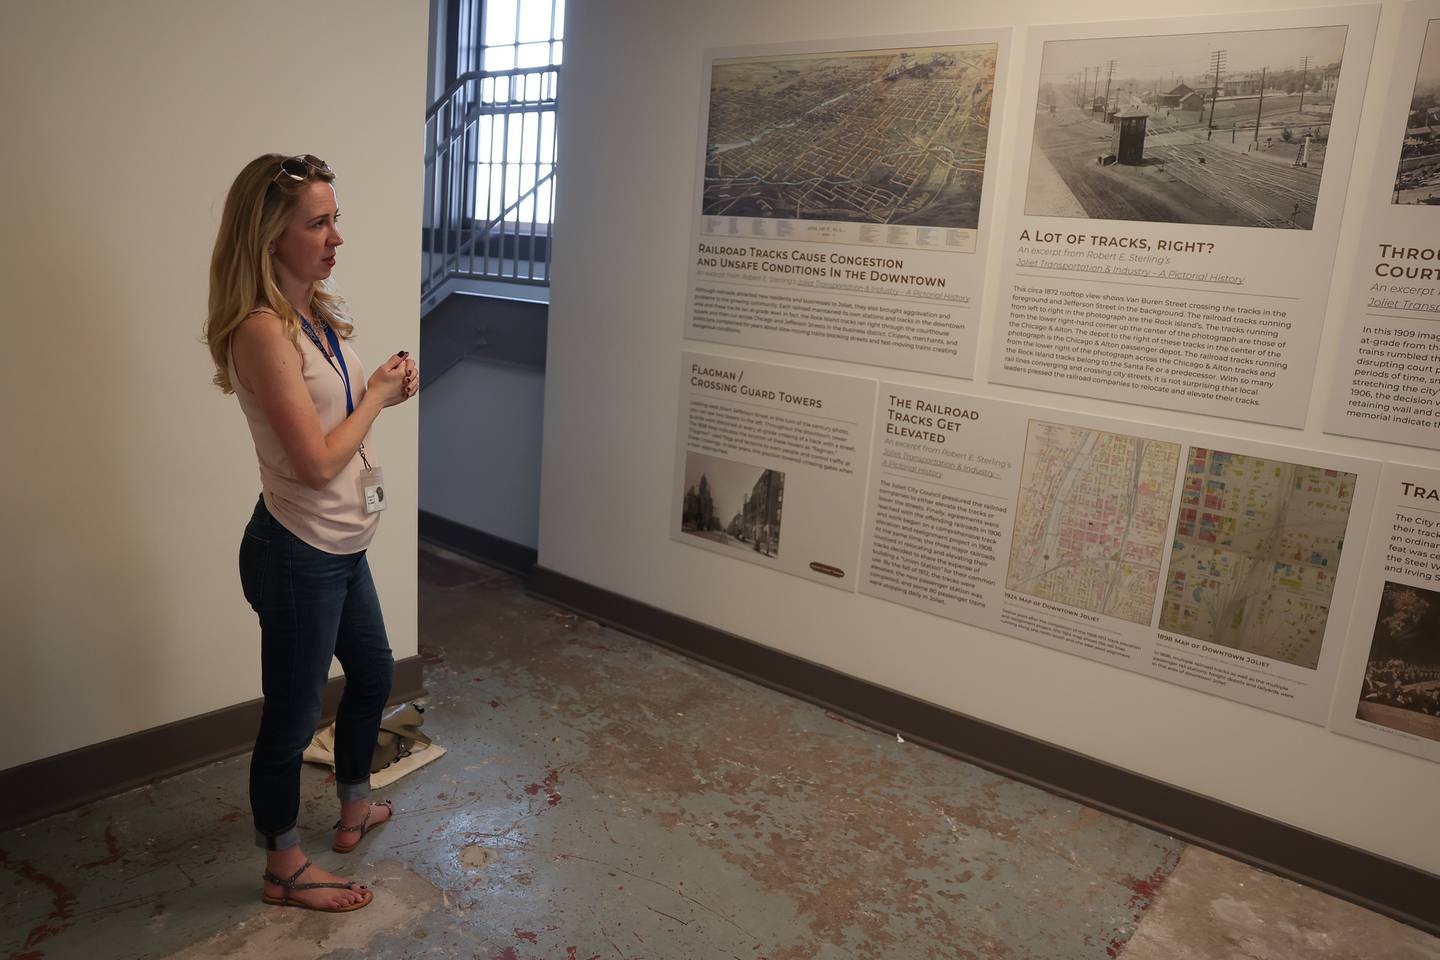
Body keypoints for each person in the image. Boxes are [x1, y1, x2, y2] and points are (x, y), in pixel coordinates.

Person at [203, 153, 418, 912]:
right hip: (297, 553)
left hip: (340, 546)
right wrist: (382, 397)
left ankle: (354, 801)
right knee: (291, 721)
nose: (335, 237)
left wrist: (379, 380)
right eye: (317, 222)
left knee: (372, 675)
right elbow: (319, 462)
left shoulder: (313, 313)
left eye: (335, 220)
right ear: (271, 236)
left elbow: (334, 410)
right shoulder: (263, 331)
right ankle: (283, 866)